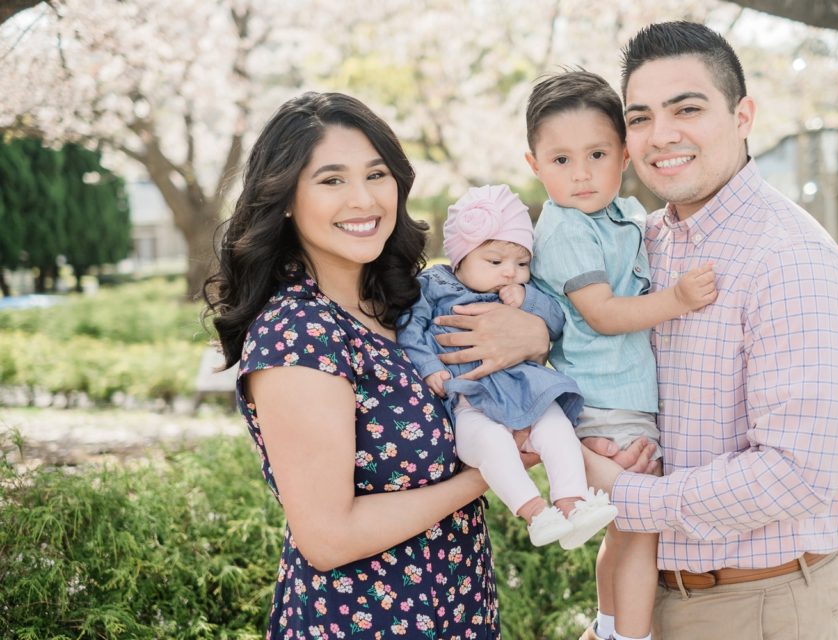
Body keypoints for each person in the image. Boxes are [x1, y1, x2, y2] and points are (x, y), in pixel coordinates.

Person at [576, 21, 838, 640]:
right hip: (650, 593)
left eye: (687, 109)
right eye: (641, 117)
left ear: (743, 115)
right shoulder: (644, 242)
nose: (663, 136)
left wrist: (625, 495)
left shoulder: (791, 257)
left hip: (762, 604)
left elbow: (797, 472)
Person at [202, 91, 500, 639]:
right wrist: (483, 478)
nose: (363, 200)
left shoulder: (404, 305)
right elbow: (327, 539)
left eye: (377, 174)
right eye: (332, 180)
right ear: (287, 198)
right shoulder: (299, 334)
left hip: (457, 614)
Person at [524, 70, 717, 640]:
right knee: (642, 532)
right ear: (534, 165)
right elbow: (604, 313)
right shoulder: (564, 230)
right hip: (608, 404)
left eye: (597, 154)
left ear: (625, 155)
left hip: (618, 396)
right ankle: (631, 636)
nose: (580, 174)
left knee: (622, 528)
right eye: (560, 161)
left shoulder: (621, 215)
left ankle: (608, 629)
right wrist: (678, 299)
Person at [397, 183, 619, 549]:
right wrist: (426, 366)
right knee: (490, 443)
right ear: (460, 259)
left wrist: (528, 300)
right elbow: (410, 326)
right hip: (468, 398)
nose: (510, 273)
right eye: (495, 262)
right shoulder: (434, 284)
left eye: (521, 263)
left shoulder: (522, 293)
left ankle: (572, 503)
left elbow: (555, 321)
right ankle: (535, 513)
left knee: (555, 425)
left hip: (524, 389)